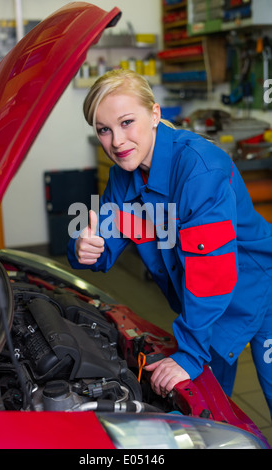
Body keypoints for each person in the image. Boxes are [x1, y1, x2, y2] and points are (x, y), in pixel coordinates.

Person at [67, 69, 272, 415]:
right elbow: (102, 234)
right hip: (204, 306)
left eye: (127, 121)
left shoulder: (199, 169)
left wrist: (190, 354)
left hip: (257, 287)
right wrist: (82, 246)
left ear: (155, 114)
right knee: (204, 411)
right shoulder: (124, 176)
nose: (117, 141)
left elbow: (211, 272)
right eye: (104, 129)